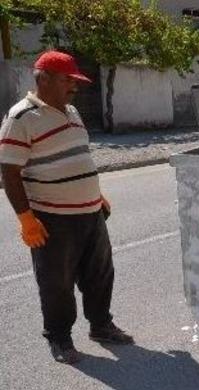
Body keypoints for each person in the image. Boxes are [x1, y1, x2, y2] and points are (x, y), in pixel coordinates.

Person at [0, 50, 133, 365]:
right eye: (67, 80)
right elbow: (9, 173)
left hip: (90, 213)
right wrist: (26, 219)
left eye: (75, 81)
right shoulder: (20, 118)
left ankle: (101, 326)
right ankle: (59, 338)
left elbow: (78, 156)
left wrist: (96, 195)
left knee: (100, 274)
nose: (73, 87)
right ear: (43, 79)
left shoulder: (72, 111)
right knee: (56, 282)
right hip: (52, 218)